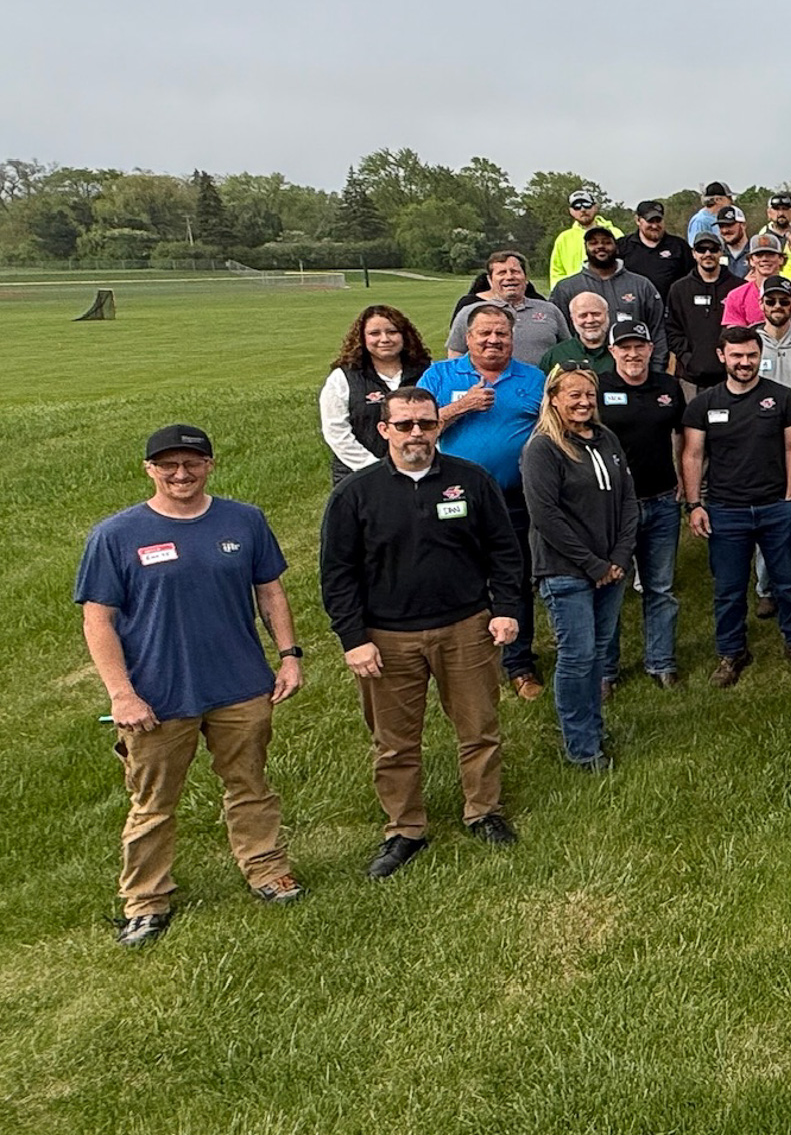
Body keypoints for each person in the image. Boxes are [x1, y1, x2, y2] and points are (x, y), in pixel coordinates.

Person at [78, 425, 304, 947]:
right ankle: (146, 902)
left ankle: (267, 870)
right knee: (153, 803)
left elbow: (270, 593)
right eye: (168, 465)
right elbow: (97, 620)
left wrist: (289, 657)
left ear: (210, 465)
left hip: (240, 685)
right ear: (149, 470)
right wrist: (122, 694)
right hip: (157, 696)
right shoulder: (116, 535)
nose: (181, 474)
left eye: (192, 463)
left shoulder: (245, 520)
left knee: (250, 786)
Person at [320, 387, 524, 879]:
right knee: (394, 742)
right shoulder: (355, 493)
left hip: (466, 627)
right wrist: (353, 639)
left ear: (438, 426)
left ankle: (483, 811)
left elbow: (504, 550)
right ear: (384, 430)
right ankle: (405, 828)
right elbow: (338, 574)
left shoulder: (471, 481)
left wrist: (505, 609)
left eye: (426, 424)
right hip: (387, 637)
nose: (417, 434)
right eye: (405, 425)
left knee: (479, 729)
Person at [418, 304, 548, 698]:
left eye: (501, 334)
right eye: (484, 334)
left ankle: (519, 663)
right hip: (453, 497)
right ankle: (466, 658)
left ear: (512, 338)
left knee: (514, 578)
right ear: (468, 337)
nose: (493, 340)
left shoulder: (533, 378)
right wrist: (463, 405)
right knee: (458, 577)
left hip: (514, 499)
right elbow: (416, 429)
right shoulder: (440, 375)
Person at [682, 325, 791, 688]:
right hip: (725, 510)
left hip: (776, 506)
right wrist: (695, 504)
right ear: (721, 356)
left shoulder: (784, 398)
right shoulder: (704, 404)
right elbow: (693, 455)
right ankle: (731, 652)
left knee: (787, 582)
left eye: (752, 355)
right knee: (728, 588)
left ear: (761, 356)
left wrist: (790, 497)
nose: (745, 362)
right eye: (737, 356)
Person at [520, 366, 636, 771]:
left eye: (589, 394)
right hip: (565, 570)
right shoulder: (543, 448)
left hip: (611, 568)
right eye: (574, 395)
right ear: (553, 398)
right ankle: (581, 746)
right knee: (577, 656)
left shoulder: (606, 438)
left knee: (598, 653)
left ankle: (593, 729)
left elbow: (628, 499)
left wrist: (620, 557)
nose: (584, 402)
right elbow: (545, 516)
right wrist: (592, 564)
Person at [594, 321, 686, 688]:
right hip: (614, 506)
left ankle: (661, 662)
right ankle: (606, 670)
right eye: (624, 347)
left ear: (650, 349)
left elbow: (680, 434)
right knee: (610, 586)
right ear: (612, 351)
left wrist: (682, 476)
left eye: (639, 346)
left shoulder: (667, 386)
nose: (633, 354)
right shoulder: (599, 387)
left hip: (662, 500)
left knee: (659, 587)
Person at [321, 305, 430, 484]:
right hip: (358, 476)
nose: (384, 339)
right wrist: (373, 468)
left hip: (419, 473)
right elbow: (336, 431)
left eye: (392, 332)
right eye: (374, 333)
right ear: (362, 338)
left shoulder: (428, 372)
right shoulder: (343, 378)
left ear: (405, 335)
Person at [547, 227, 668, 369]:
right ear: (585, 248)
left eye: (606, 242)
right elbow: (557, 333)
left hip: (633, 371)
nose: (600, 246)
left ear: (616, 247)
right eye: (593, 243)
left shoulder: (641, 285)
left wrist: (657, 369)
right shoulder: (566, 288)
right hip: (583, 371)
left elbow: (658, 330)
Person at [450, 251, 572, 366]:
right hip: (488, 382)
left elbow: (568, 350)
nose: (509, 277)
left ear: (526, 278)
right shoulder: (469, 313)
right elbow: (455, 355)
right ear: (490, 280)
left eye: (515, 271)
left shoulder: (550, 310)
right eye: (501, 273)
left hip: (541, 381)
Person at [667, 231, 747, 392]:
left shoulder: (739, 287)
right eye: (701, 249)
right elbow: (672, 329)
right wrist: (688, 358)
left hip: (732, 377)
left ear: (721, 252)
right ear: (694, 254)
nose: (707, 254)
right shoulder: (679, 289)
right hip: (691, 378)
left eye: (713, 249)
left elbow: (748, 331)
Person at [547, 189, 619, 288]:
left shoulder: (615, 233)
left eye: (586, 204)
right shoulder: (563, 239)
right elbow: (557, 272)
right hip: (574, 292)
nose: (583, 209)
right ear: (570, 211)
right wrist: (560, 292)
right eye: (577, 206)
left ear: (595, 207)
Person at [618, 199, 689, 299]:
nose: (655, 226)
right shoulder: (622, 246)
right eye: (650, 221)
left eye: (658, 220)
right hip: (634, 306)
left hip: (670, 306)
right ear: (638, 220)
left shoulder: (679, 246)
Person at [717, 234, 791, 329]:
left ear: (781, 259)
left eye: (770, 254)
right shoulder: (736, 296)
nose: (764, 259)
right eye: (759, 255)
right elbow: (735, 334)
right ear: (751, 260)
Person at [536, 291, 616, 376]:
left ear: (607, 314)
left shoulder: (622, 351)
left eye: (596, 314)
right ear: (572, 318)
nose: (590, 320)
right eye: (583, 315)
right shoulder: (556, 355)